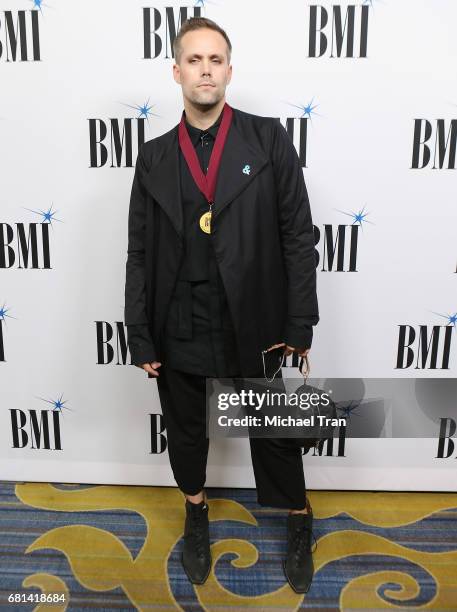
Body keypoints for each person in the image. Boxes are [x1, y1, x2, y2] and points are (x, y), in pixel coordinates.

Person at [124, 16, 319, 593]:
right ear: (177, 71)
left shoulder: (267, 139)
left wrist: (299, 323)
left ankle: (300, 517)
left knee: (273, 430)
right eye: (194, 60)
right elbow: (139, 251)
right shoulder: (154, 157)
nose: (205, 70)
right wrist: (141, 333)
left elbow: (297, 237)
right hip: (179, 318)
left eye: (215, 60)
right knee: (185, 430)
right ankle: (196, 511)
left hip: (252, 317)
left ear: (229, 70)